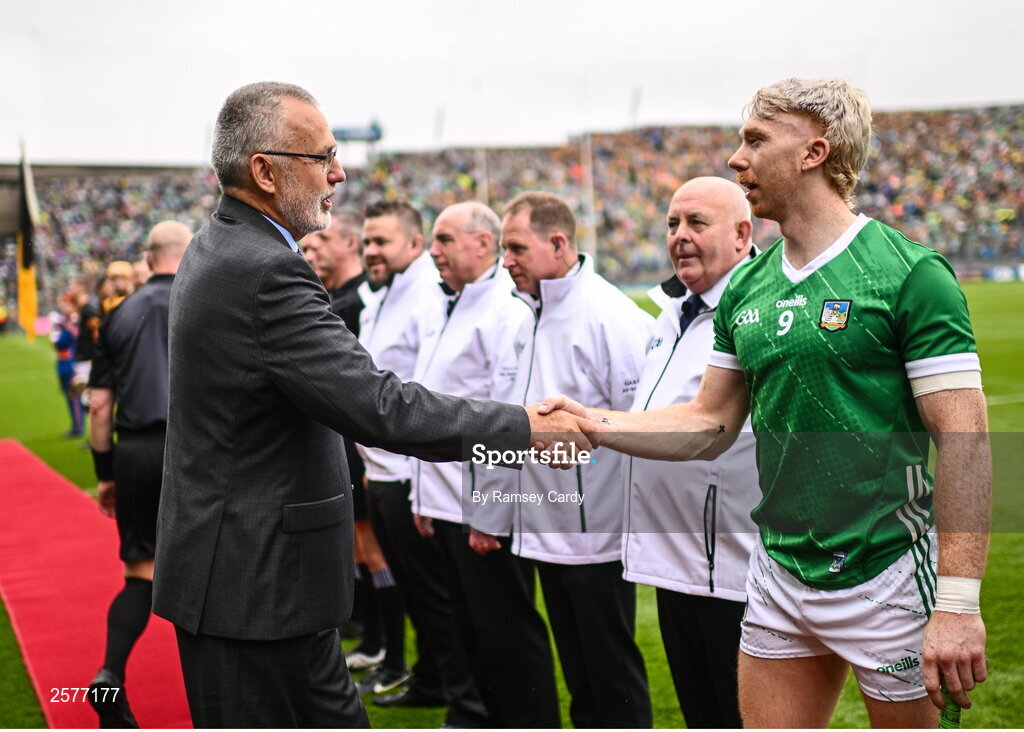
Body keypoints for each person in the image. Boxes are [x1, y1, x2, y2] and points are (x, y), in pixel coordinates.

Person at [543, 77, 990, 728]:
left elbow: (965, 438)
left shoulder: (909, 274)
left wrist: (956, 603)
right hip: (779, 572)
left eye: (755, 139)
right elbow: (708, 422)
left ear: (813, 151)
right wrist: (597, 424)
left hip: (886, 575)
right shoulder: (747, 286)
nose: (735, 157)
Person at [153, 81, 587, 729]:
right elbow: (380, 406)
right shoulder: (267, 270)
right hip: (259, 586)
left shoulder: (224, 245)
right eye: (321, 156)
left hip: (250, 575)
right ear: (265, 171)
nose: (339, 172)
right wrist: (526, 425)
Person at [486, 191, 654, 728]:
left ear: (558, 243)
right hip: (546, 527)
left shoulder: (610, 315)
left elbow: (645, 422)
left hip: (597, 537)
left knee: (611, 677)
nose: (505, 261)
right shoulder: (524, 313)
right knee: (580, 675)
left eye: (515, 248)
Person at [409, 201, 561, 727]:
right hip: (446, 504)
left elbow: (508, 416)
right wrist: (421, 492)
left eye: (445, 239)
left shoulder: (505, 309)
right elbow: (434, 405)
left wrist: (490, 512)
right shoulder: (448, 304)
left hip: (482, 514)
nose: (434, 251)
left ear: (482, 242)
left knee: (507, 638)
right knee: (471, 632)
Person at [622, 176, 760, 728]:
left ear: (741, 234)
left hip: (733, 567)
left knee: (740, 717)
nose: (679, 236)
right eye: (672, 224)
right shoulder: (672, 311)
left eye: (697, 223)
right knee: (701, 715)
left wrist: (594, 428)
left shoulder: (759, 308)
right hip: (674, 560)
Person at [354, 200, 487, 726]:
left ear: (412, 245)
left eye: (381, 241)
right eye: (366, 241)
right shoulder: (383, 299)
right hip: (387, 475)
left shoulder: (425, 301)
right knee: (423, 600)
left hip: (414, 478)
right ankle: (441, 686)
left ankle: (462, 702)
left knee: (442, 604)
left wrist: (416, 481)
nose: (371, 251)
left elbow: (426, 396)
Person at [86, 220, 193, 728]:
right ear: (189, 254)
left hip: (136, 453)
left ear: (148, 260)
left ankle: (110, 675)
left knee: (140, 571)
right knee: (208, 570)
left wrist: (105, 472)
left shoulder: (118, 313)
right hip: (195, 451)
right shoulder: (204, 299)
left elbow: (100, 406)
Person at [300, 211, 392, 671]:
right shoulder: (336, 297)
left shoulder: (360, 301)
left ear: (350, 244)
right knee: (361, 547)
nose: (311, 248)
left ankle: (383, 644)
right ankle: (374, 637)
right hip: (345, 444)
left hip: (363, 447)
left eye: (324, 240)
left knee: (373, 547)